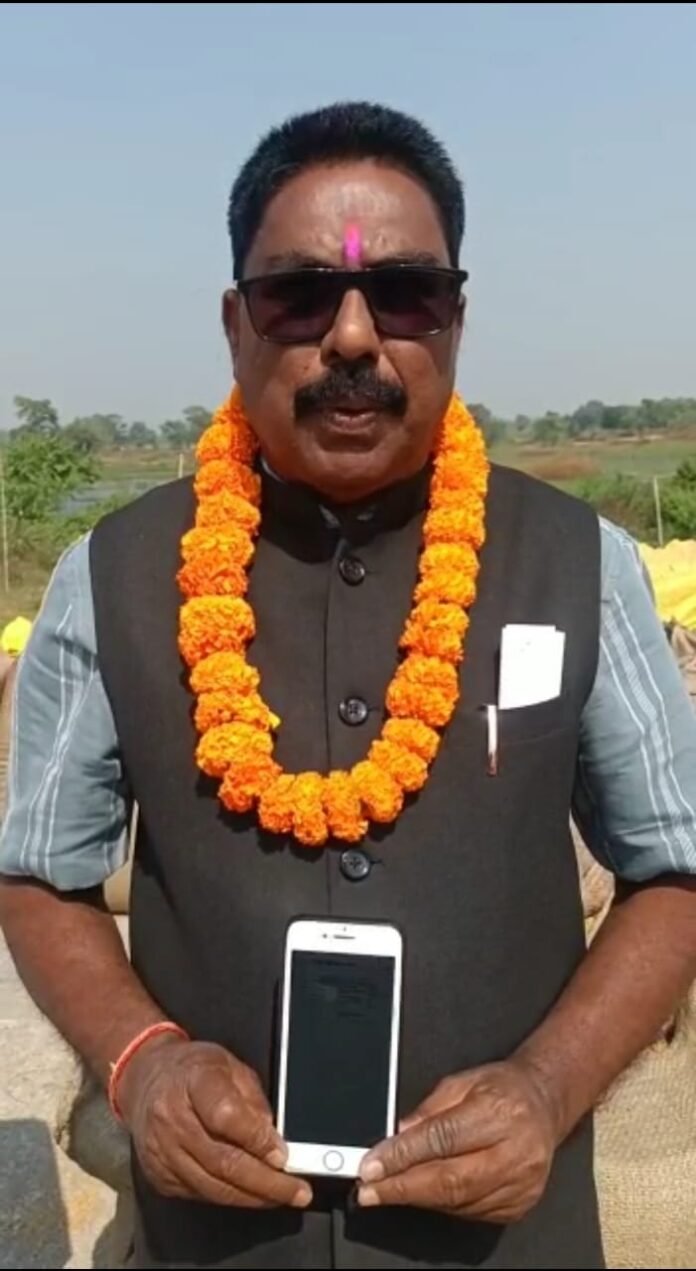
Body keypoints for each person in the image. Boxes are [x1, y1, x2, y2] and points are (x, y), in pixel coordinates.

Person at [1, 101, 695, 1271]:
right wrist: (142, 1064)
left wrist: (546, 1085)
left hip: (504, 1240)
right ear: (236, 323)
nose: (356, 337)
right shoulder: (110, 574)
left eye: (406, 292)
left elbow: (676, 866)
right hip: (217, 1241)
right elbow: (37, 875)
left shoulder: (583, 562)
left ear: (457, 319)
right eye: (301, 296)